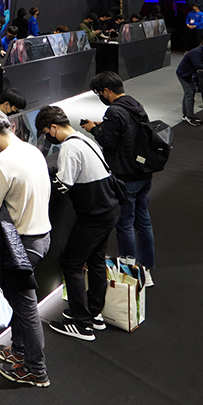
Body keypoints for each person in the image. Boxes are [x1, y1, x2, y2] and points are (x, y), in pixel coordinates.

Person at [0, 107, 53, 388]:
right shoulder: (31, 150)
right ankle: (20, 351)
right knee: (21, 302)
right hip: (42, 237)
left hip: (22, 245)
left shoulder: (2, 162)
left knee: (26, 307)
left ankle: (37, 370)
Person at [41, 115, 121, 342]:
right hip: (109, 210)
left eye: (46, 132)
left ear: (53, 127)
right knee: (96, 260)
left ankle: (81, 324)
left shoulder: (69, 147)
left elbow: (63, 185)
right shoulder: (86, 140)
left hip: (93, 215)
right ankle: (94, 313)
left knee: (71, 263)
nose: (47, 137)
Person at [81, 72, 156, 286]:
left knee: (125, 223)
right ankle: (146, 269)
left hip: (125, 175)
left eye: (99, 92)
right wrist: (104, 126)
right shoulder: (135, 104)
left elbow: (109, 142)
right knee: (143, 220)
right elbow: (128, 132)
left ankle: (130, 272)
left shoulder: (113, 111)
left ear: (106, 91)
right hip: (143, 171)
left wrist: (94, 129)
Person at [175, 41, 203, 126]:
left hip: (189, 74)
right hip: (184, 74)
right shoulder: (196, 53)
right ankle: (189, 116)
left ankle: (185, 115)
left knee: (188, 94)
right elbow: (198, 65)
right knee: (189, 94)